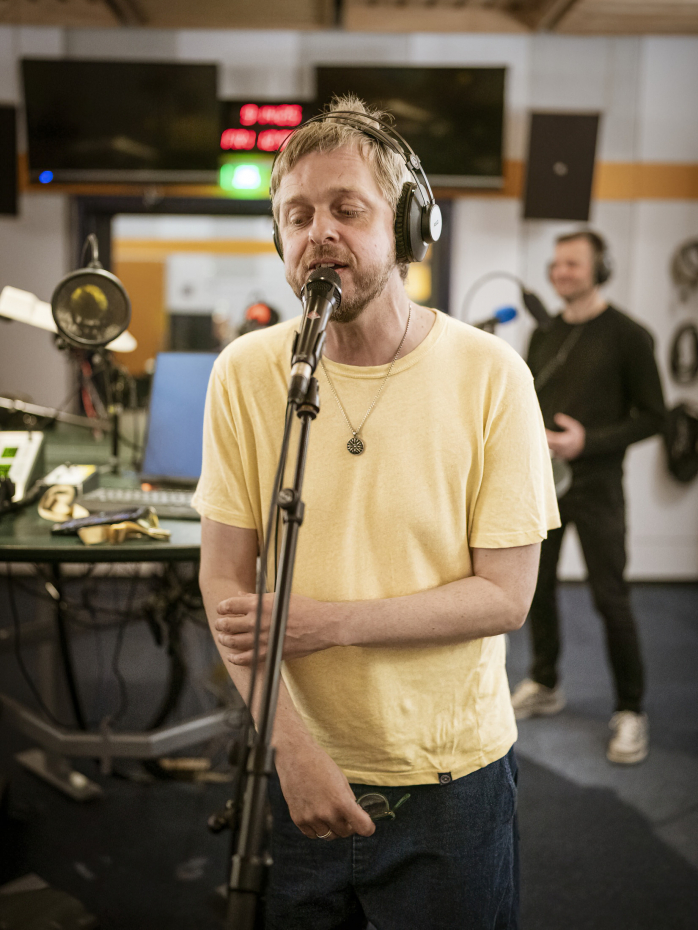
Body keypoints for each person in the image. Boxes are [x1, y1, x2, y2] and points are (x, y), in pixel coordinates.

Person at [193, 96, 559, 930]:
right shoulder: (245, 373)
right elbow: (224, 577)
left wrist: (328, 624)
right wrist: (290, 749)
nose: (319, 232)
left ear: (406, 226)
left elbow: (506, 596)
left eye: (347, 209)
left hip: (448, 777)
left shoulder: (492, 375)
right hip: (293, 763)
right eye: (298, 216)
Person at [510, 230, 665, 766]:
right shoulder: (544, 334)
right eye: (557, 264)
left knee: (610, 599)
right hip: (544, 486)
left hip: (598, 489)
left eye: (573, 264)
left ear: (601, 269)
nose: (561, 272)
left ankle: (630, 710)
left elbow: (654, 417)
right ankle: (545, 682)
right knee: (537, 589)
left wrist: (587, 442)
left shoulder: (630, 335)